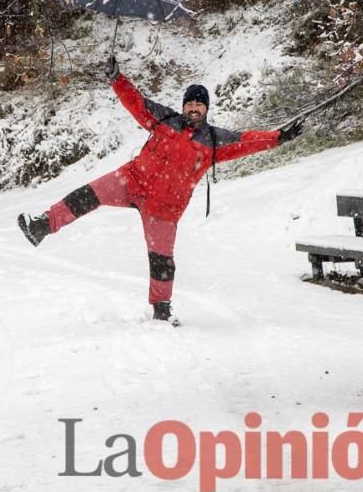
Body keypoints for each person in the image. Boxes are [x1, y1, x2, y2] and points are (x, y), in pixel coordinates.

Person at [17, 54, 305, 324]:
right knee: (87, 195)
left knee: (162, 261)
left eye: (199, 105)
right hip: (132, 181)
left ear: (206, 108)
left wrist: (279, 138)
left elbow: (247, 141)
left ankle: (162, 311)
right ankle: (42, 225)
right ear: (184, 106)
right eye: (190, 104)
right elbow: (136, 103)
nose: (194, 108)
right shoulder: (165, 119)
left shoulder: (214, 141)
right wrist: (117, 78)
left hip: (164, 207)